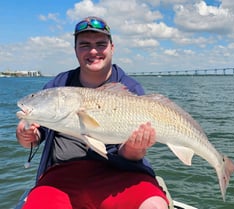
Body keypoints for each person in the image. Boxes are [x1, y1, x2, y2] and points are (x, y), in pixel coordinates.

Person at [16, 16, 169, 209]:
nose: (93, 51)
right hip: (61, 177)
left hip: (120, 172)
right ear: (75, 50)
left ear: (112, 47)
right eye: (85, 45)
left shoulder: (130, 89)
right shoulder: (58, 84)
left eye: (101, 44)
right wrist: (26, 135)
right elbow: (36, 135)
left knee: (154, 205)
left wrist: (134, 148)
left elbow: (131, 156)